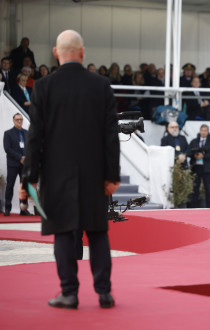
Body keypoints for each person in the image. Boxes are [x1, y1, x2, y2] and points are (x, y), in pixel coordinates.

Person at [19, 30, 120, 309]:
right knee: (98, 233)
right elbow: (111, 135)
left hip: (56, 175)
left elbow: (35, 136)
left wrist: (29, 177)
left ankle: (69, 292)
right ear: (82, 52)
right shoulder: (101, 85)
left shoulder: (43, 86)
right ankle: (104, 292)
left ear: (55, 53)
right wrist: (112, 176)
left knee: (63, 232)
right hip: (94, 175)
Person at [3, 113, 31, 216]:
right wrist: (20, 157)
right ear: (13, 121)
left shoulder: (27, 133)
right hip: (13, 164)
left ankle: (23, 210)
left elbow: (30, 147)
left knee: (24, 188)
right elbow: (7, 149)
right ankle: (7, 209)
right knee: (10, 186)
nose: (19, 121)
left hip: (24, 165)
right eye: (17, 119)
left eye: (21, 119)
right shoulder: (8, 133)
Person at [187, 124, 210, 208]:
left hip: (207, 169)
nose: (203, 132)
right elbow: (188, 152)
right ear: (200, 131)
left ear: (208, 132)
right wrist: (195, 155)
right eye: (202, 130)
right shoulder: (194, 141)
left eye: (205, 131)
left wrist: (204, 156)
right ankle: (194, 207)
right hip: (196, 168)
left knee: (208, 188)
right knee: (194, 189)